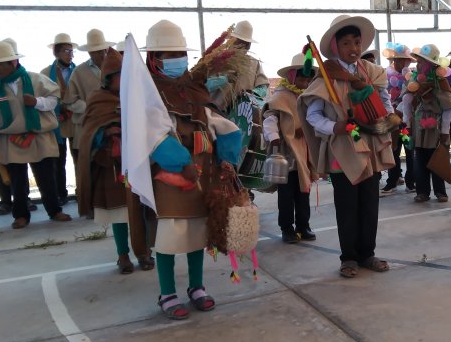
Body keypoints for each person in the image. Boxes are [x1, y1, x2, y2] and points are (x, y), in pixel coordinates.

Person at [138, 20, 241, 319]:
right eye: (168, 55)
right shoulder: (149, 97)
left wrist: (227, 159)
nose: (176, 60)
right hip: (172, 180)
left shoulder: (194, 91)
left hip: (203, 175)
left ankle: (197, 287)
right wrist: (181, 163)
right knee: (169, 239)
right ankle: (167, 293)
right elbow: (156, 135)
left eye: (179, 53)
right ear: (153, 59)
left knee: (198, 236)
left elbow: (224, 127)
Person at [299, 15, 397, 278]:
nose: (353, 48)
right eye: (346, 44)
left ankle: (368, 254)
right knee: (347, 205)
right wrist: (336, 128)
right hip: (342, 150)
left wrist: (385, 118)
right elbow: (312, 116)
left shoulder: (373, 72)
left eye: (357, 42)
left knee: (369, 203)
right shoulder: (326, 77)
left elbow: (386, 101)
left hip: (371, 146)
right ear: (335, 47)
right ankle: (349, 258)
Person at [76, 48, 153, 273]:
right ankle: (123, 255)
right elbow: (88, 132)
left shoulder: (138, 98)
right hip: (110, 166)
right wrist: (107, 131)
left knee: (141, 210)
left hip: (137, 163)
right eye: (118, 75)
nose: (122, 80)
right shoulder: (97, 99)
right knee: (120, 214)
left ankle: (144, 252)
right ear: (108, 78)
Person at [0, 40, 72, 229]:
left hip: (38, 135)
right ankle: (20, 215)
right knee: (17, 180)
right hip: (10, 137)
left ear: (12, 63)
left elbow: (53, 100)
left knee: (47, 176)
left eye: (0, 64)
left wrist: (37, 102)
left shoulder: (36, 79)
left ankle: (54, 210)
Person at [262, 53, 317, 243]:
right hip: (286, 153)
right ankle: (287, 228)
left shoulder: (308, 96)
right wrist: (275, 140)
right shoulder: (281, 97)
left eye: (308, 78)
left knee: (303, 190)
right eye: (301, 77)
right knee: (286, 194)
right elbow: (270, 119)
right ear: (292, 76)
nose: (305, 81)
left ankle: (304, 226)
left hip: (303, 151)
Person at [0, 39, 37, 216]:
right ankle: (5, 201)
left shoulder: (27, 77)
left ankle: (24, 198)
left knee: (21, 166)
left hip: (22, 130)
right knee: (0, 167)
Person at [401, 44, 451, 203]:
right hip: (419, 126)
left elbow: (448, 108)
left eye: (423, 62)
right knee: (420, 161)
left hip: (436, 127)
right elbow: (406, 101)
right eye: (418, 62)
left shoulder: (440, 82)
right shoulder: (414, 81)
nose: (420, 65)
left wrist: (445, 131)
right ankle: (422, 191)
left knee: (437, 158)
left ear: (433, 65)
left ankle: (440, 192)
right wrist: (408, 125)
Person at [63, 29, 110, 170]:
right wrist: (89, 106)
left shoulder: (117, 69)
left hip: (113, 126)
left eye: (102, 51)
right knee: (90, 169)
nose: (101, 54)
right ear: (89, 53)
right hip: (88, 128)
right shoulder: (79, 72)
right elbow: (70, 102)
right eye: (96, 52)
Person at [41, 33, 78, 205]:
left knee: (80, 156)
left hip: (76, 120)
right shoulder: (45, 74)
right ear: (56, 52)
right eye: (66, 51)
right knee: (58, 159)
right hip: (57, 121)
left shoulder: (78, 71)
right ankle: (61, 194)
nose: (70, 54)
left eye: (71, 51)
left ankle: (82, 191)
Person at [207, 20, 269, 113]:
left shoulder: (254, 63)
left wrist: (253, 93)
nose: (243, 47)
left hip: (243, 114)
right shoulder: (215, 60)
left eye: (247, 44)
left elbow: (263, 86)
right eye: (239, 43)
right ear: (231, 41)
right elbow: (204, 85)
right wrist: (224, 80)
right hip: (216, 112)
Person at [381, 43, 415, 195]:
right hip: (392, 118)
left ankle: (411, 182)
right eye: (400, 60)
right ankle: (392, 180)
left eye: (406, 60)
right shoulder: (384, 76)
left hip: (408, 118)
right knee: (393, 149)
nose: (403, 63)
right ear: (393, 60)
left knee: (410, 149)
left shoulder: (412, 76)